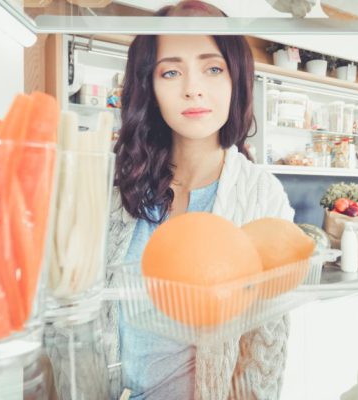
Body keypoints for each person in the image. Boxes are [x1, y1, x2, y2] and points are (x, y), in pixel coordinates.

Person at [107, 1, 295, 398]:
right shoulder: (114, 185)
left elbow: (264, 353)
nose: (193, 88)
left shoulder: (262, 196)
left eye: (213, 68)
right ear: (150, 86)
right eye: (171, 71)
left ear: (236, 79)